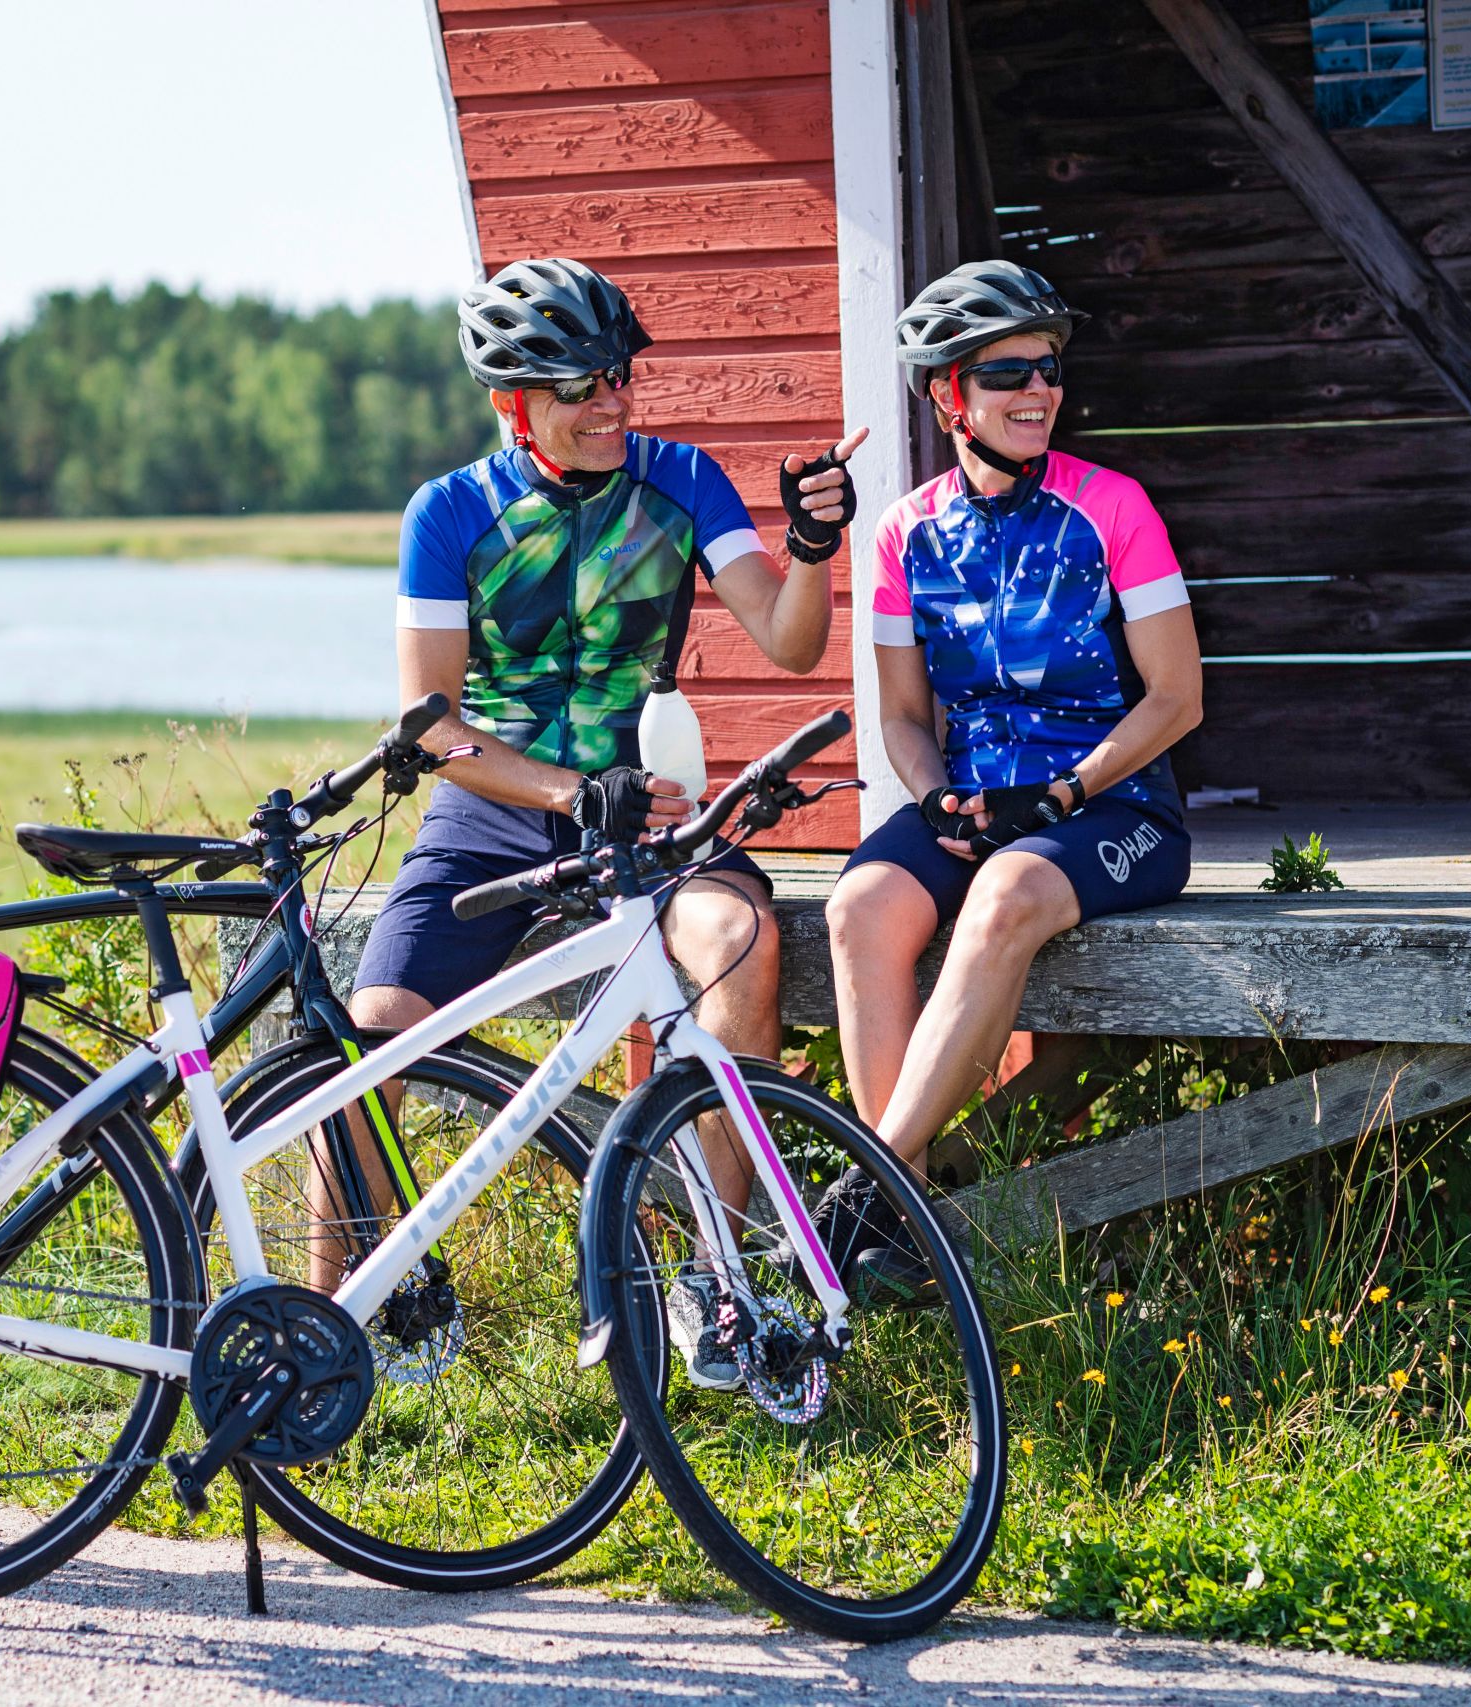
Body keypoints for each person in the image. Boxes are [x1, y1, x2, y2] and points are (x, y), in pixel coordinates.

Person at [344, 257, 866, 1385]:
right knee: (373, 1027)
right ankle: (339, 1306)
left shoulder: (681, 479)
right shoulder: (451, 513)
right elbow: (429, 723)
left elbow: (785, 638)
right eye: (582, 386)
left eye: (620, 376)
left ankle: (720, 1283)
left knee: (740, 948)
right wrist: (568, 793)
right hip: (493, 812)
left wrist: (814, 551)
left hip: (652, 812)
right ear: (511, 400)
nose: (613, 404)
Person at [819, 259, 1204, 1296]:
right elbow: (903, 718)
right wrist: (930, 791)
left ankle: (871, 1189)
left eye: (1046, 368)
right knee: (857, 905)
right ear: (949, 395)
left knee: (1004, 893)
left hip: (1112, 807)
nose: (1039, 391)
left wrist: (1064, 794)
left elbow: (1176, 699)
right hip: (977, 800)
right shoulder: (904, 532)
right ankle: (913, 1211)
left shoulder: (1110, 506)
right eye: (1007, 374)